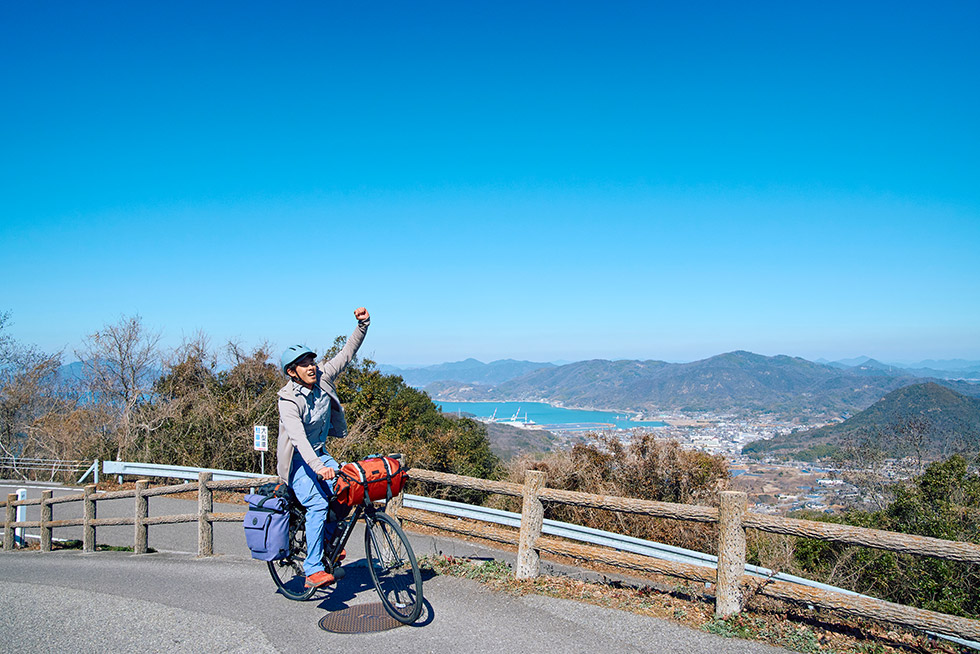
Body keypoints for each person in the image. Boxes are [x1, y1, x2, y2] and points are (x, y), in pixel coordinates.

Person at [276, 307, 370, 588]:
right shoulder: (288, 400)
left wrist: (363, 325)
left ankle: (328, 540)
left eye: (312, 361)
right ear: (292, 372)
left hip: (319, 453)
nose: (311, 367)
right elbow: (298, 440)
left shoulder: (323, 378)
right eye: (303, 364)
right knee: (317, 503)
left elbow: (347, 353)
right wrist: (318, 469)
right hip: (297, 462)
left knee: (348, 489)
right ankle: (313, 568)